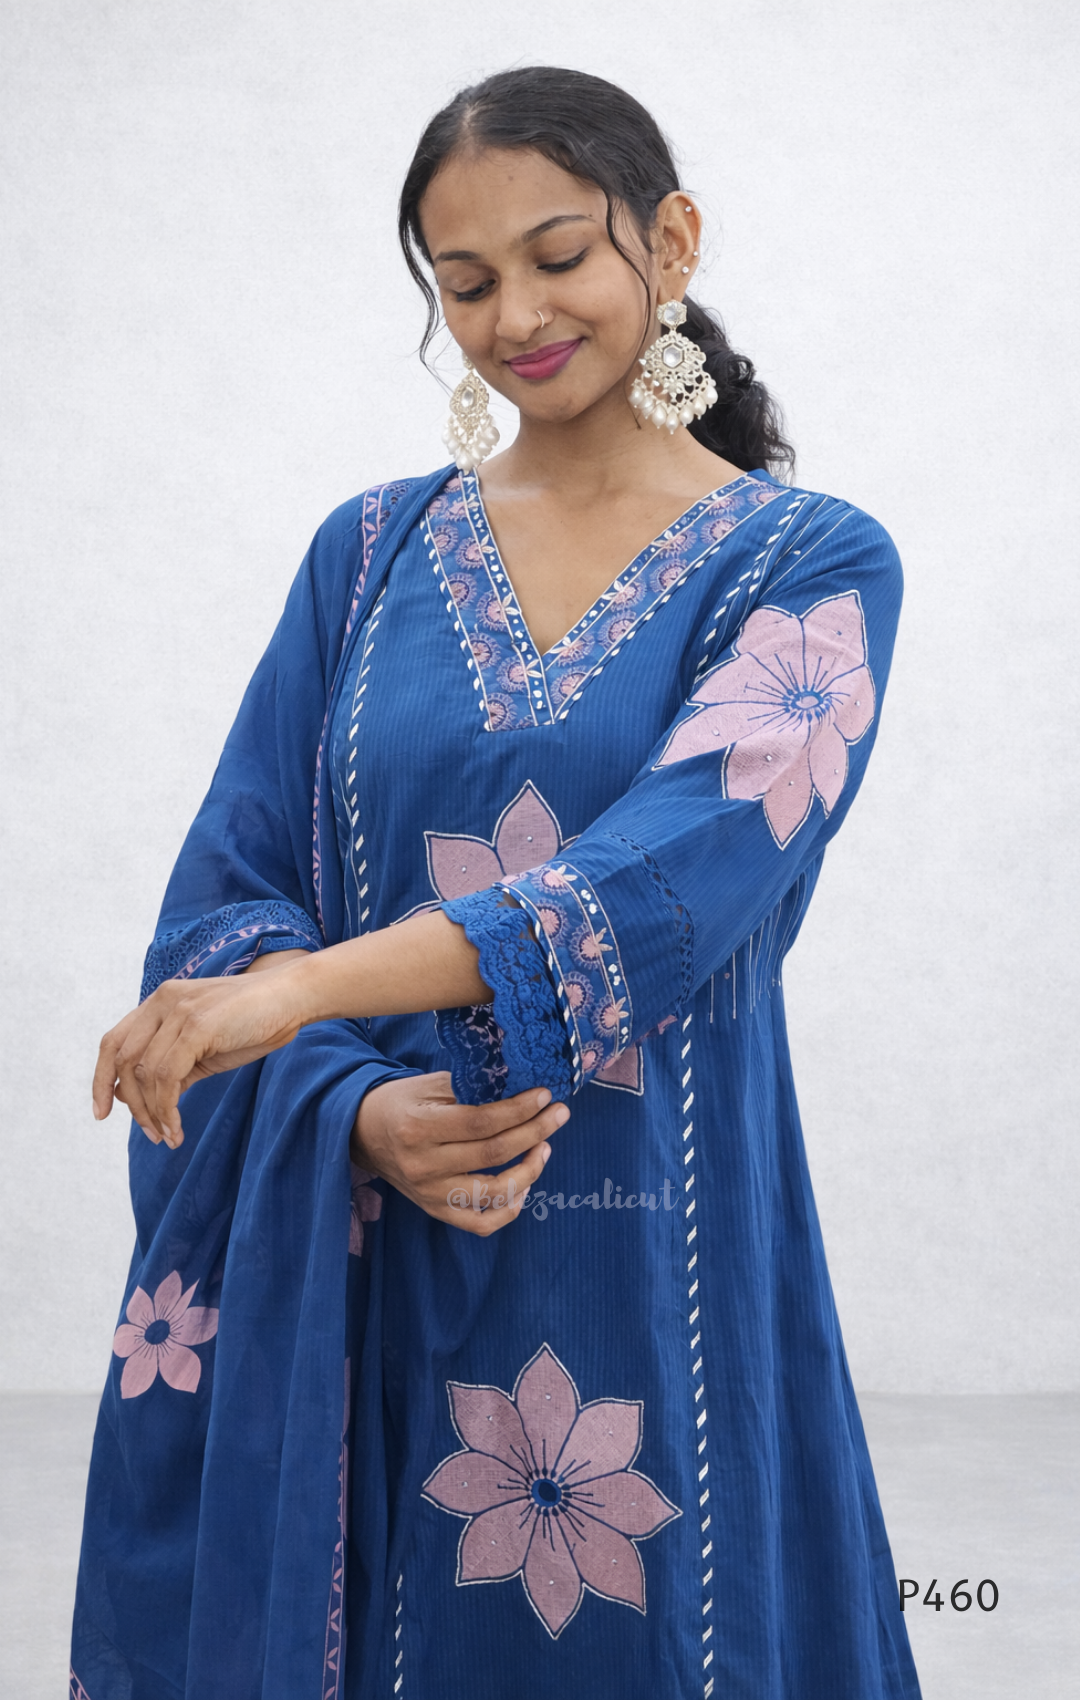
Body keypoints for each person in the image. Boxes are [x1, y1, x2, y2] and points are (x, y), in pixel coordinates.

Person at [72, 66, 920, 1700]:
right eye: (464, 283)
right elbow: (233, 888)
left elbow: (655, 886)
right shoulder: (367, 556)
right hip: (381, 1246)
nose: (515, 316)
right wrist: (350, 1111)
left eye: (559, 256)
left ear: (671, 242)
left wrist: (299, 998)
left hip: (654, 1234)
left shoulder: (811, 566)